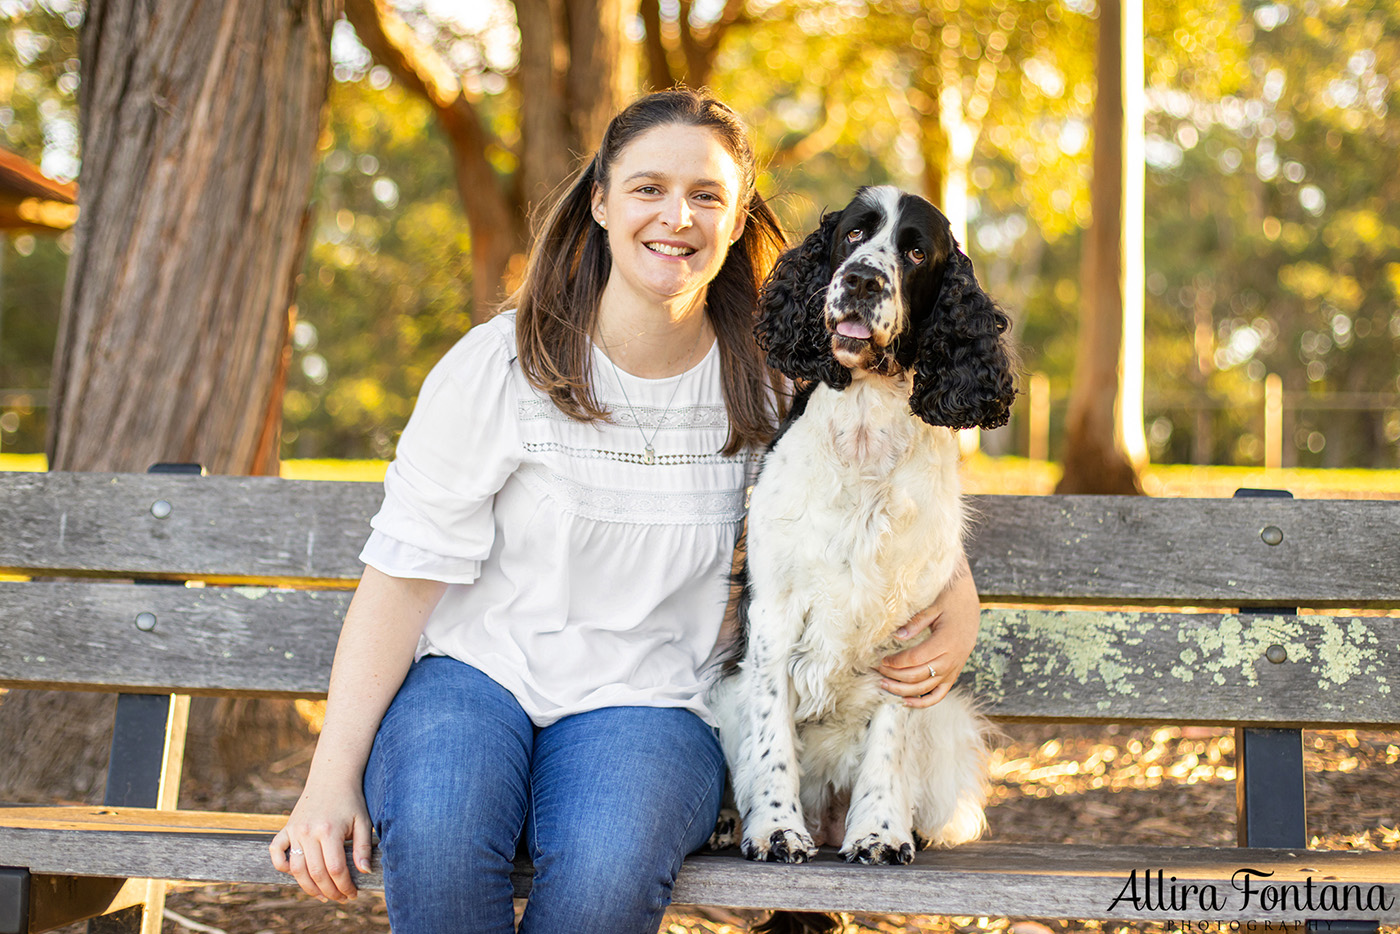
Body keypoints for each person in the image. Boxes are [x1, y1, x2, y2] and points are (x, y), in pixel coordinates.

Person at [269, 88, 983, 934]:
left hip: (656, 700)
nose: (675, 216)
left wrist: (960, 606)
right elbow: (399, 588)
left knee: (607, 874)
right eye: (647, 188)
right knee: (440, 832)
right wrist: (328, 780)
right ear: (601, 202)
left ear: (737, 216)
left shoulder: (783, 379)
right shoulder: (499, 366)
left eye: (706, 195)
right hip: (474, 679)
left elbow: (894, 496)